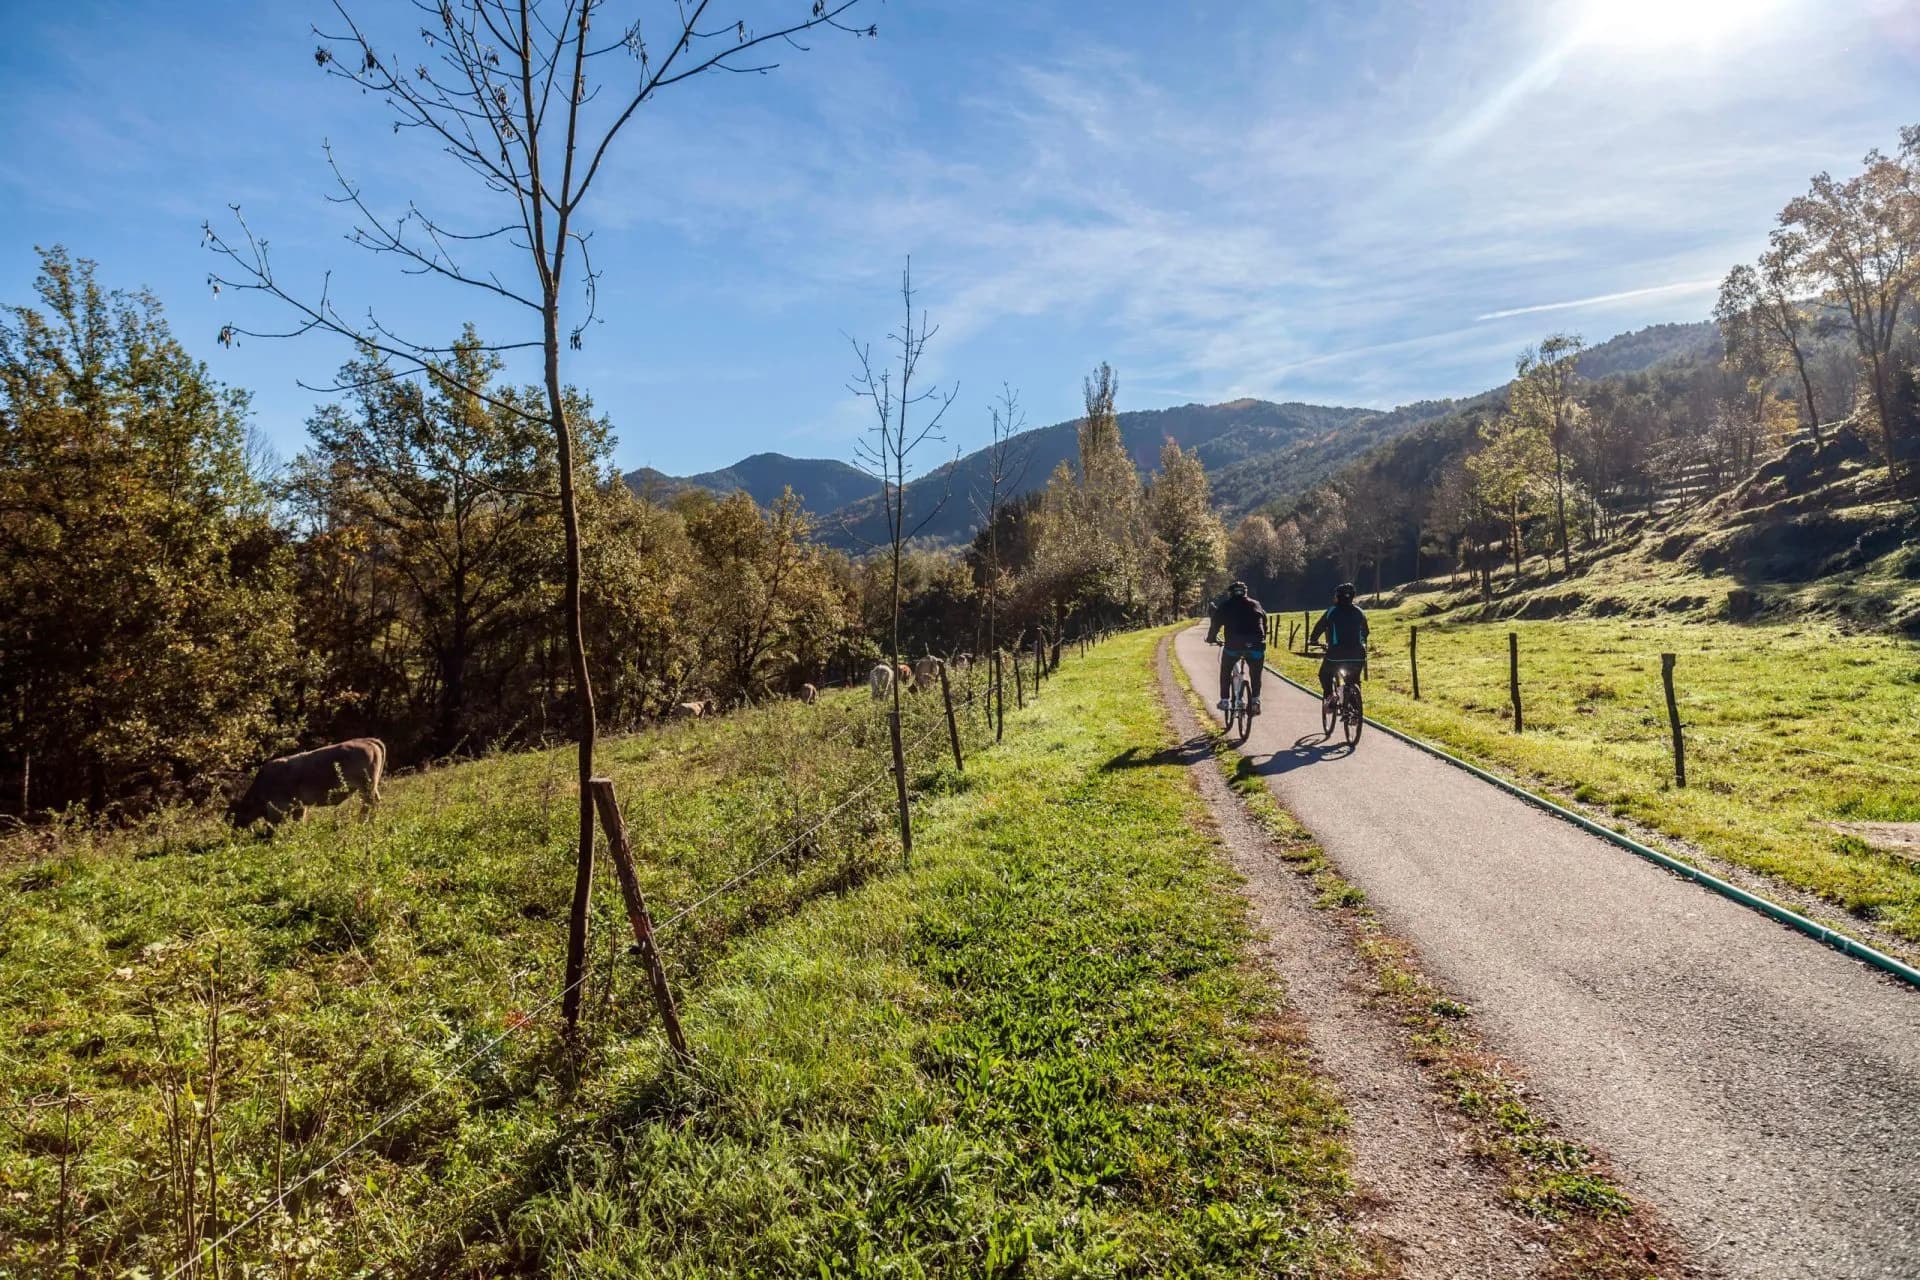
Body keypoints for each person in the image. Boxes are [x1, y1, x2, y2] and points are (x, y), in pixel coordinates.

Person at [1205, 581, 1267, 714]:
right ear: (1246, 592)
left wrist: (1211, 638)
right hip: (1256, 645)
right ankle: (1255, 699)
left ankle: (1225, 700)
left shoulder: (1226, 606)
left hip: (1234, 646)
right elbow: (1264, 622)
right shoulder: (1256, 604)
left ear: (1231, 593)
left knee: (1226, 670)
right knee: (1256, 674)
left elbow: (1215, 624)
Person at [1310, 582, 1370, 706]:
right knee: (1354, 680)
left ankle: (1330, 696)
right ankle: (1355, 711)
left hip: (1336, 654)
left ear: (1337, 596)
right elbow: (1365, 632)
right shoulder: (1360, 612)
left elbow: (1319, 627)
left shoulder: (1332, 611)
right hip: (1358, 654)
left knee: (1324, 674)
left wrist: (1313, 639)